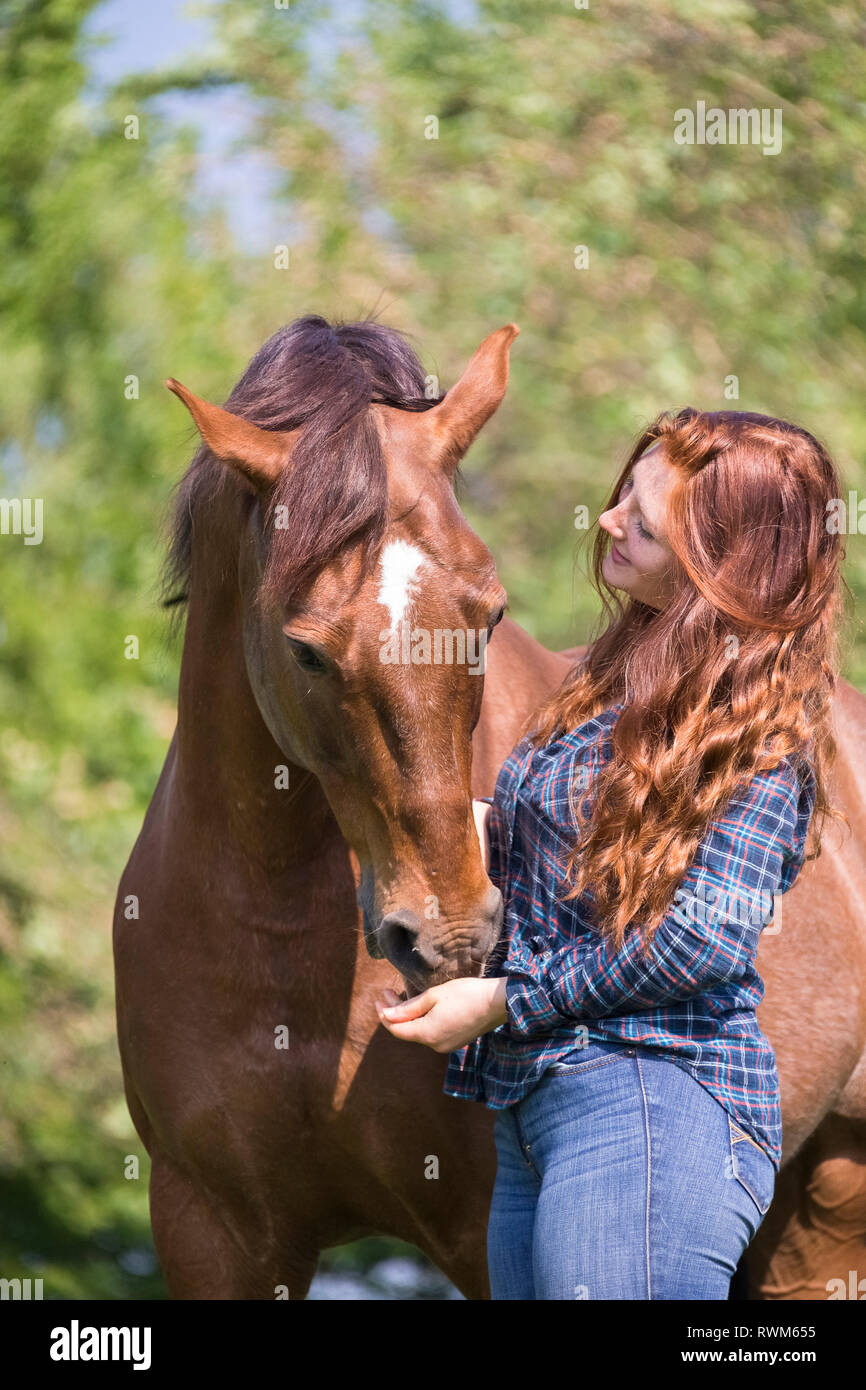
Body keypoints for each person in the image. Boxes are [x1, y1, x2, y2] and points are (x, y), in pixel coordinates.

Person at [375, 408, 845, 1299]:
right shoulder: (606, 685)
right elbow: (569, 885)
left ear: (723, 561)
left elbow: (700, 940)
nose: (606, 521)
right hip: (534, 1116)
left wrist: (507, 1000)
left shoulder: (765, 737)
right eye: (621, 497)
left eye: (644, 518)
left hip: (652, 1107)